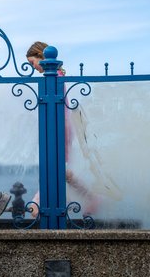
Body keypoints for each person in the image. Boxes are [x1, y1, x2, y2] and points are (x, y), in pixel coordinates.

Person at [26, 41, 99, 216]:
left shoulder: (55, 78)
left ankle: (38, 203)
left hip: (58, 129)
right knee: (61, 170)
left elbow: (58, 110)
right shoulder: (58, 76)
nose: (33, 68)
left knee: (52, 167)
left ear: (41, 57)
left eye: (32, 63)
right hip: (60, 128)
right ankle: (88, 199)